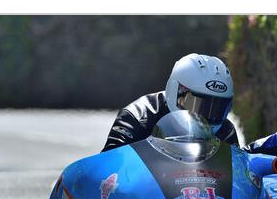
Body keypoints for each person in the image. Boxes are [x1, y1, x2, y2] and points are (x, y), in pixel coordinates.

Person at [102, 53, 239, 152]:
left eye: (218, 108)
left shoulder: (225, 131)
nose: (207, 117)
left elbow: (237, 177)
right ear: (176, 91)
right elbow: (109, 167)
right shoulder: (138, 116)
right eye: (197, 105)